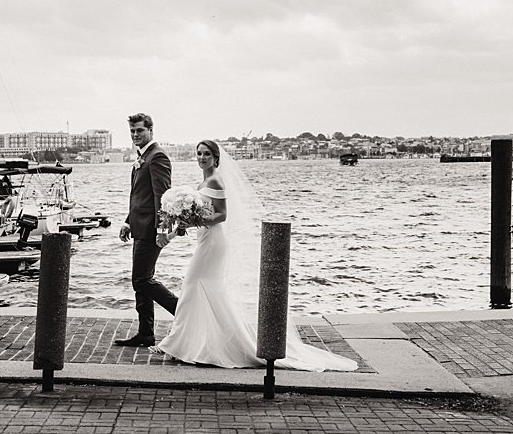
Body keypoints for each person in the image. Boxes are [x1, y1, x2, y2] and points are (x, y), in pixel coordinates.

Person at [156, 140, 357, 371]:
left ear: (216, 158)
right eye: (199, 154)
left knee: (194, 285)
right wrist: (174, 231)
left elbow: (221, 216)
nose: (202, 158)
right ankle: (196, 344)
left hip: (213, 243)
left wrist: (194, 219)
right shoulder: (203, 181)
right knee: (204, 291)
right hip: (205, 240)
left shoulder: (216, 180)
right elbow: (200, 216)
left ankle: (184, 343)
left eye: (207, 154)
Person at [114, 112, 178, 347]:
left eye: (139, 130)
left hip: (152, 230)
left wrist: (163, 228)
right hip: (139, 227)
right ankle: (146, 333)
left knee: (142, 280)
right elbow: (139, 196)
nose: (135, 135)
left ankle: (181, 310)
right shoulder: (142, 157)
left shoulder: (157, 157)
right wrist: (128, 221)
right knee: (139, 281)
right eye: (132, 131)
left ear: (151, 130)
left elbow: (163, 197)